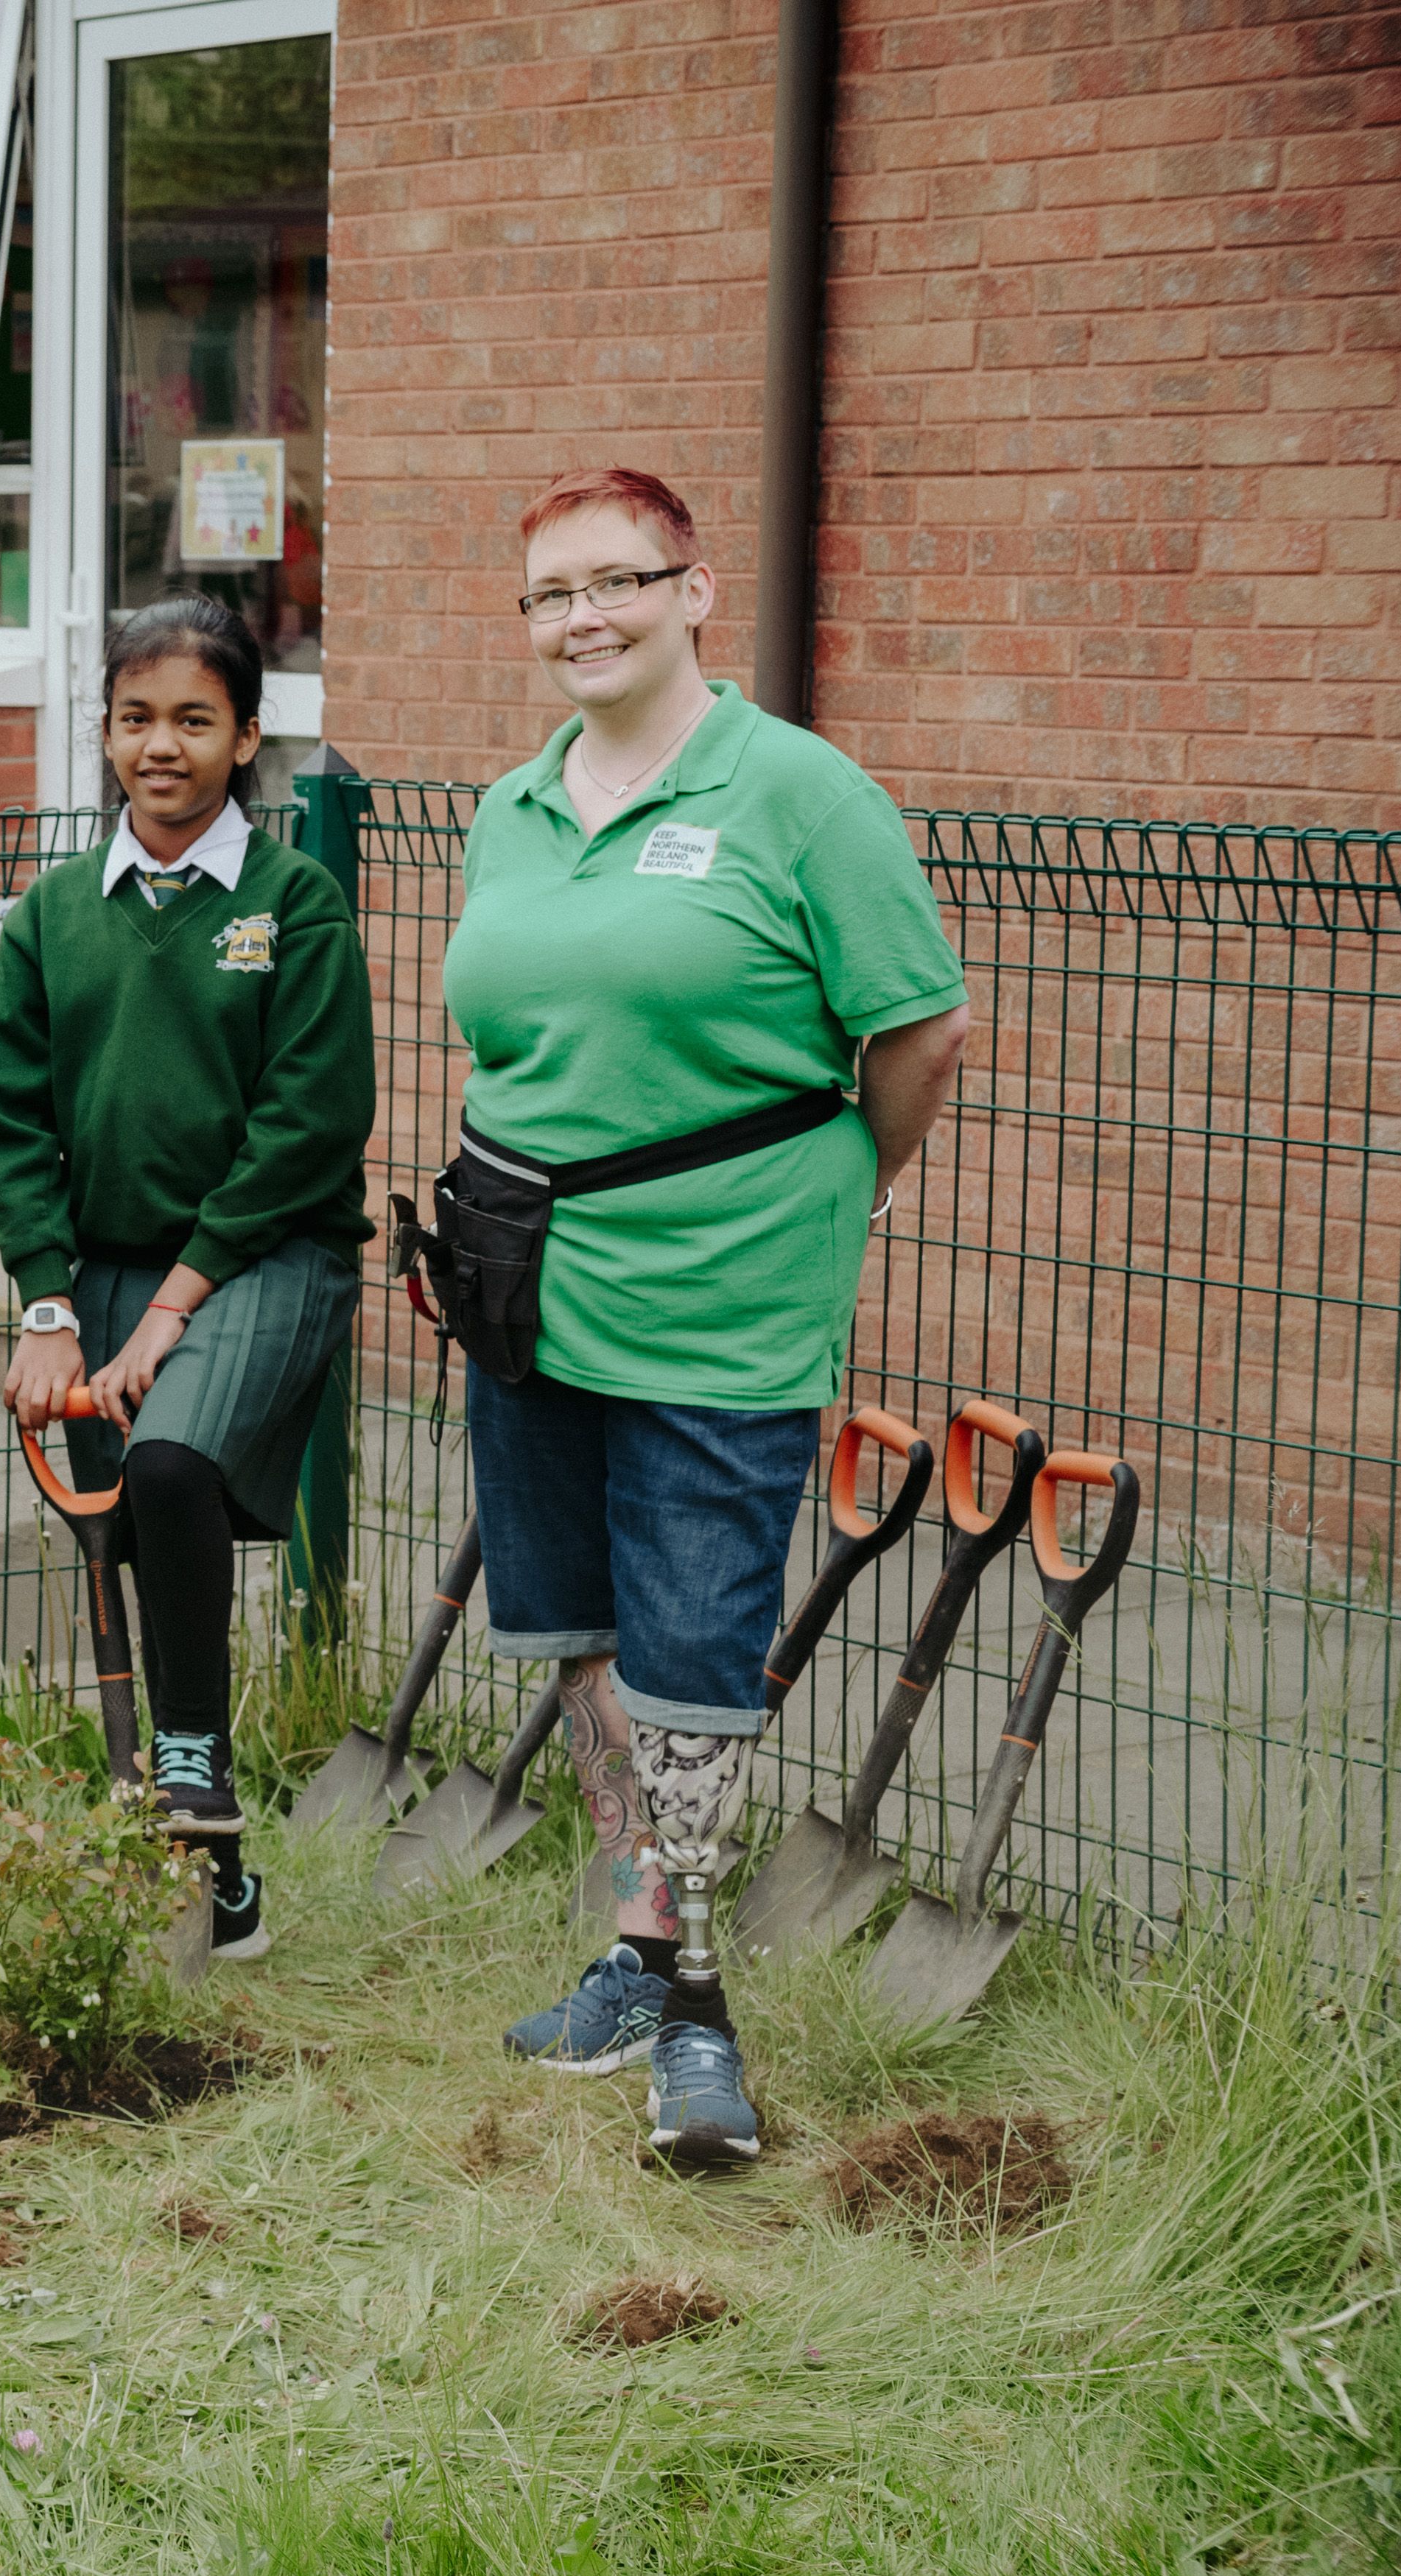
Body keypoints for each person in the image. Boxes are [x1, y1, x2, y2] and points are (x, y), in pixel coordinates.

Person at [449, 468, 967, 2169]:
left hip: (723, 1297)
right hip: (533, 1279)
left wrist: (839, 1197)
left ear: (693, 590)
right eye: (549, 595)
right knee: (582, 1637)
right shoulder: (516, 805)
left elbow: (918, 1036)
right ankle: (632, 1941)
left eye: (615, 581)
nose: (581, 617)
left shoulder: (802, 794)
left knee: (693, 1668)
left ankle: (697, 2015)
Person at [0, 597, 373, 1962]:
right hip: (100, 1263)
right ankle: (222, 1886)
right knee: (130, 1540)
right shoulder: (50, 918)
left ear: (245, 736)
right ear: (102, 733)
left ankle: (189, 1755)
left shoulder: (292, 904)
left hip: (265, 1252)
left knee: (174, 1465)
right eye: (136, 719)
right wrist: (42, 1302)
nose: (161, 745)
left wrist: (169, 1305)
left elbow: (307, 1125)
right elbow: (11, 1120)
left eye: (193, 720)